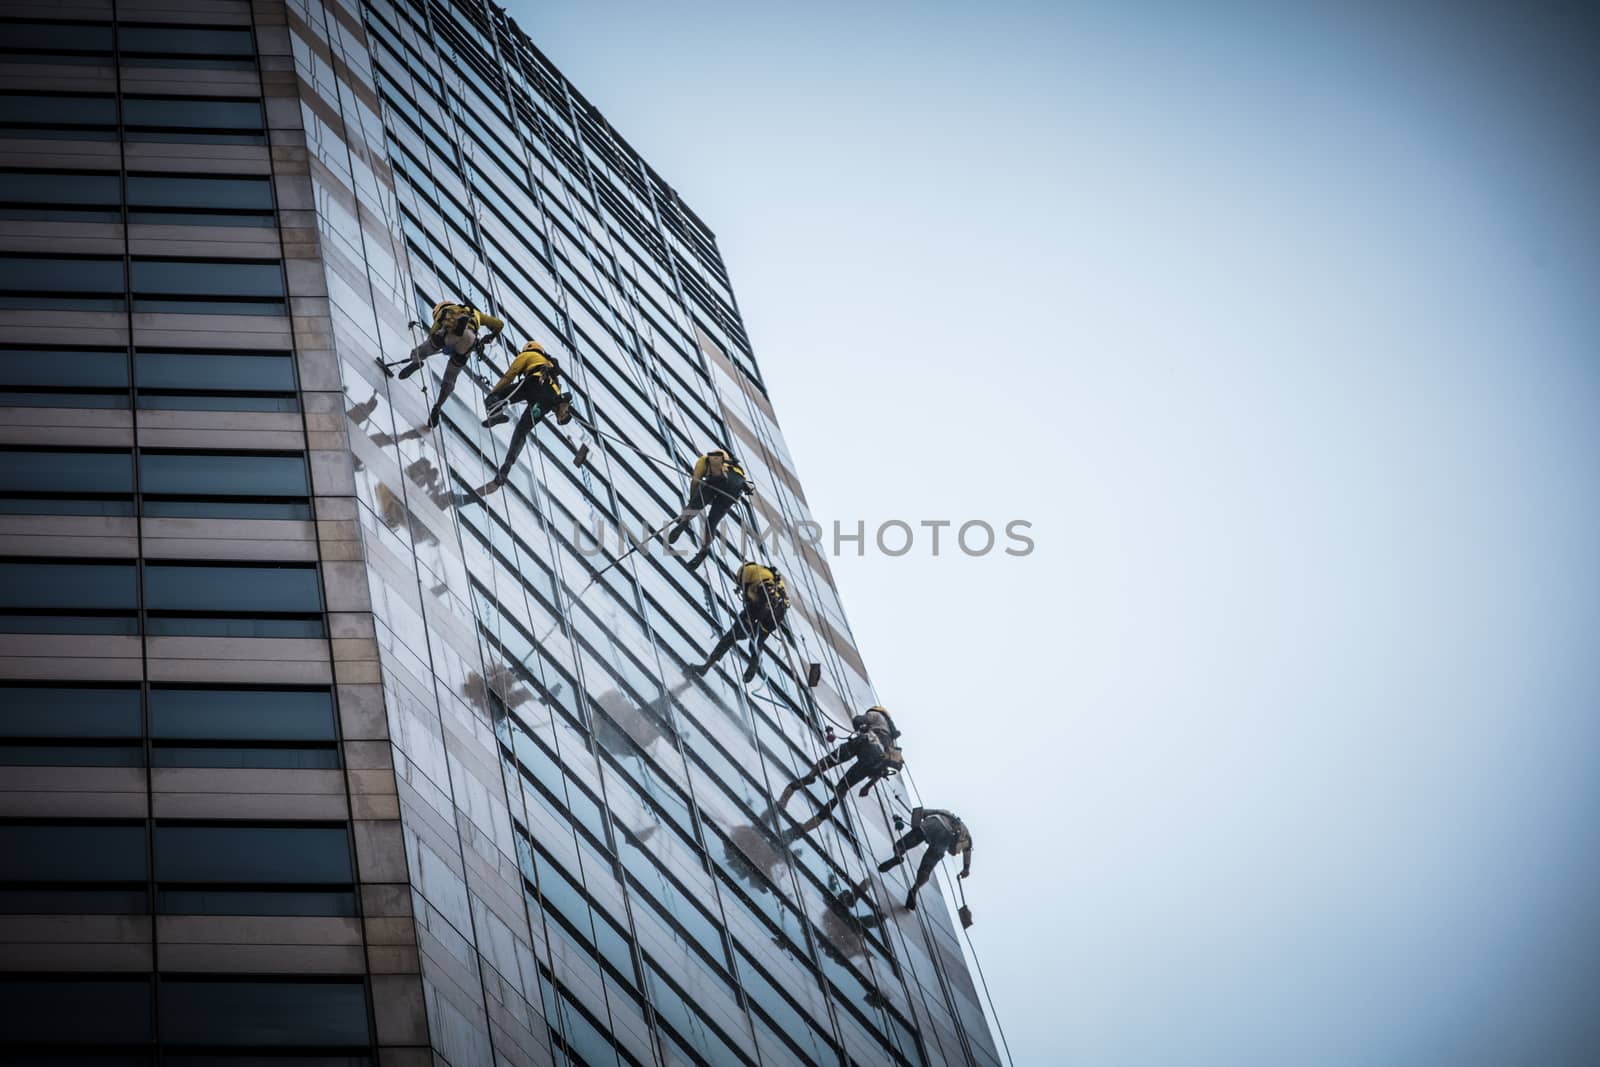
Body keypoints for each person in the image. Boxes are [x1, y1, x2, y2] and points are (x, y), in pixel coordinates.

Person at [778, 706, 903, 839]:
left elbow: (859, 720)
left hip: (865, 742)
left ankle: (811, 776)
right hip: (873, 761)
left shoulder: (876, 715)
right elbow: (882, 769)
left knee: (829, 761)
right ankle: (816, 820)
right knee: (841, 790)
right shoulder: (891, 742)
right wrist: (867, 786)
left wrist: (859, 726)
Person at [478, 340, 573, 493]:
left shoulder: (529, 354)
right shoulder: (551, 369)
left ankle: (497, 413)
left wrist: (495, 392)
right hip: (548, 399)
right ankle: (508, 464)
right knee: (522, 430)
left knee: (492, 400)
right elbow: (553, 396)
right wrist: (560, 406)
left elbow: (510, 375)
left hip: (532, 384)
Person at [398, 300, 506, 427]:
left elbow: (433, 332)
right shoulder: (476, 314)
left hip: (449, 334)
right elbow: (499, 324)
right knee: (450, 379)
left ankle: (416, 362)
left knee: (421, 350)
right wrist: (491, 336)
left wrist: (432, 346)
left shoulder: (445, 312)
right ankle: (438, 406)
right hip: (468, 341)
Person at [689, 561, 789, 683]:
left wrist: (749, 614)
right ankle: (754, 661)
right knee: (758, 640)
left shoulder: (746, 572)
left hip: (763, 603)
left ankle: (706, 666)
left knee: (730, 637)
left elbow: (753, 593)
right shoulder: (769, 575)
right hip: (778, 612)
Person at [666, 449, 750, 568]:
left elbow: (695, 481)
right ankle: (705, 549)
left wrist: (692, 501)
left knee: (695, 506)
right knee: (712, 523)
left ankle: (684, 522)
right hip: (733, 490)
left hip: (718, 480)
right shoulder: (738, 469)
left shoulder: (704, 460)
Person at [875, 806, 971, 911]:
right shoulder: (965, 832)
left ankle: (898, 856)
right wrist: (966, 868)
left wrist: (917, 823)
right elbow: (968, 849)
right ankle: (915, 889)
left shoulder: (945, 812)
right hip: (944, 841)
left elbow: (922, 812)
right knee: (926, 868)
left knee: (901, 845)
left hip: (933, 825)